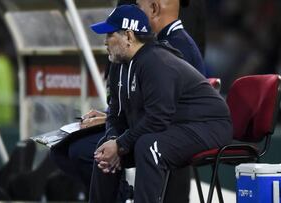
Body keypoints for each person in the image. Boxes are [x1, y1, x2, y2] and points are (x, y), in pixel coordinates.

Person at [88, 5, 232, 203]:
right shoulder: (119, 65)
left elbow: (157, 120)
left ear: (129, 36)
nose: (105, 42)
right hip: (176, 125)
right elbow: (116, 113)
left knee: (148, 146)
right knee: (103, 149)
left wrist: (120, 145)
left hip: (208, 125)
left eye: (110, 35)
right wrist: (113, 139)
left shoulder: (157, 62)